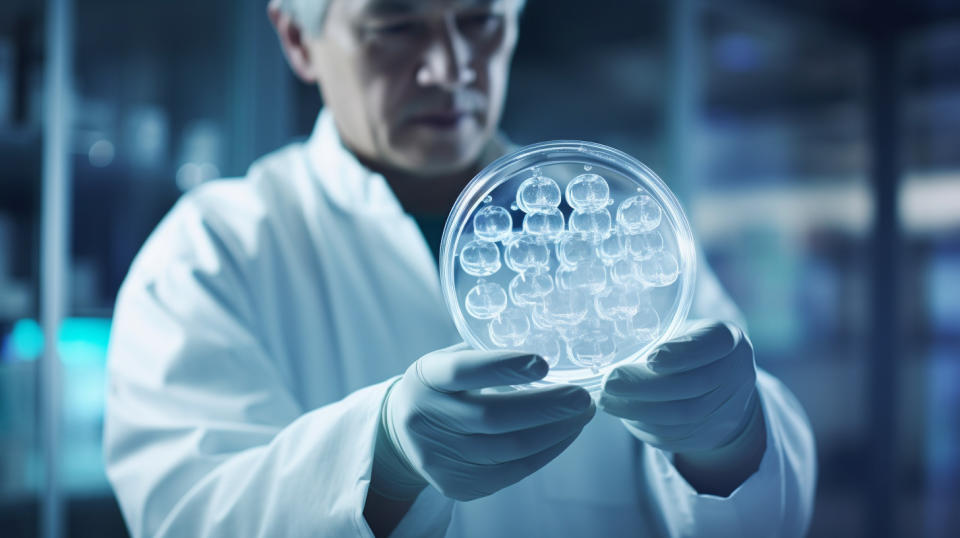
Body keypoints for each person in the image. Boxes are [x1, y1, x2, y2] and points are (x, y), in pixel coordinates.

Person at [103, 0, 816, 536]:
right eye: (395, 25)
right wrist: (378, 460)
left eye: (481, 20)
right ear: (299, 38)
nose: (450, 68)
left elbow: (771, 515)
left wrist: (730, 444)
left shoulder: (615, 227)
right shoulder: (212, 253)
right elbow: (188, 514)